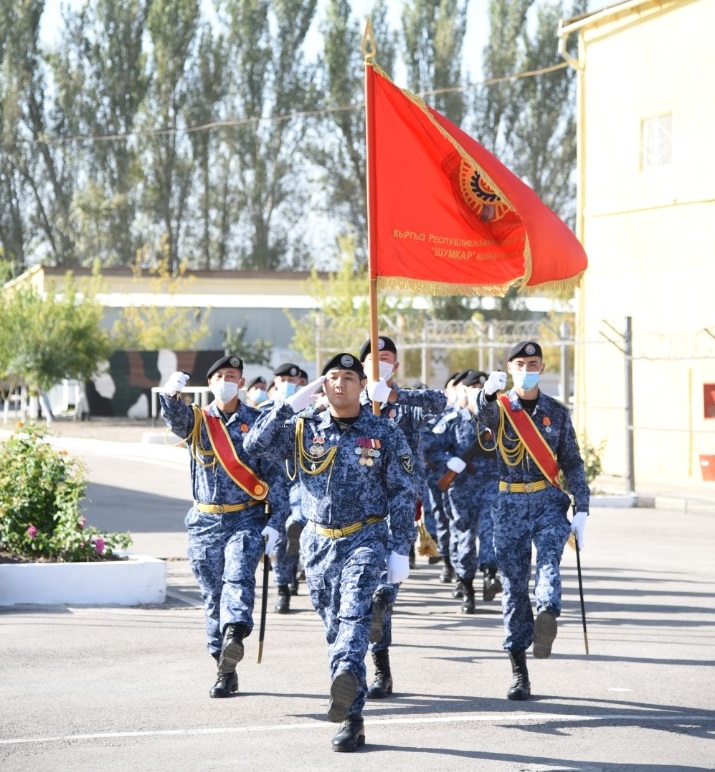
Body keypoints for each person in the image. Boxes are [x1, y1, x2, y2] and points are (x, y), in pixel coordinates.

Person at [244, 352, 416, 752]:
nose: (340, 383)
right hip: (318, 542)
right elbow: (254, 445)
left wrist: (400, 549)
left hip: (366, 538)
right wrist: (289, 405)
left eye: (348, 378)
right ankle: (347, 687)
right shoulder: (304, 427)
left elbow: (404, 493)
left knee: (354, 617)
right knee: (335, 628)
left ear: (361, 386)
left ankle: (351, 715)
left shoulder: (384, 432)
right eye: (332, 377)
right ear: (324, 384)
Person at [158, 354, 288, 698]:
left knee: (238, 577)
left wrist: (276, 522)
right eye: (220, 376)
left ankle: (234, 633)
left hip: (244, 517)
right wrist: (170, 397)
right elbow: (175, 420)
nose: (226, 380)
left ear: (241, 383)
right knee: (212, 595)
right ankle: (223, 666)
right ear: (210, 383)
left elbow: (276, 476)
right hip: (204, 521)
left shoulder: (257, 421)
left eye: (233, 375)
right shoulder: (198, 420)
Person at [472, 341, 589, 701]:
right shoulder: (501, 407)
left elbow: (572, 461)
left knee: (550, 560)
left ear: (542, 366)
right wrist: (487, 396)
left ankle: (548, 614)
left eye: (533, 363)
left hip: (547, 501)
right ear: (509, 368)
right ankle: (519, 672)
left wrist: (582, 508)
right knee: (513, 587)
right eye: (520, 363)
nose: (527, 369)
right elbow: (484, 422)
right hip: (509, 504)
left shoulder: (556, 411)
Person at [358, 335, 447, 700]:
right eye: (372, 358)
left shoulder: (407, 404)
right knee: (356, 597)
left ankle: (381, 669)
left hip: (397, 510)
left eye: (387, 358)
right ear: (361, 366)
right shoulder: (350, 403)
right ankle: (351, 665)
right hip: (356, 511)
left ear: (395, 366)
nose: (380, 363)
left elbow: (439, 402)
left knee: (382, 595)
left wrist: (394, 397)